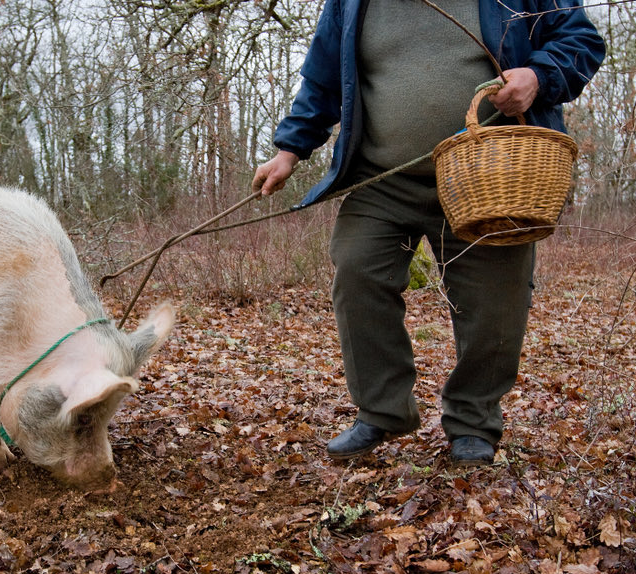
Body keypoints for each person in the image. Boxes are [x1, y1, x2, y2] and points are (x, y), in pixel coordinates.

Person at [253, 0, 605, 465]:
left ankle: (474, 422)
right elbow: (322, 78)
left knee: (494, 303)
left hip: (490, 175)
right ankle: (382, 410)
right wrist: (289, 149)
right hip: (382, 177)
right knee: (357, 268)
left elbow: (581, 41)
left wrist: (539, 77)